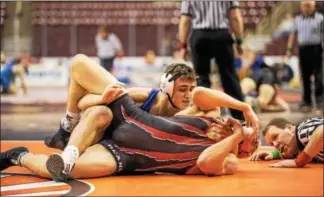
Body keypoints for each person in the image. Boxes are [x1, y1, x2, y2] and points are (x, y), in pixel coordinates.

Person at [0, 86, 259, 181]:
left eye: (254, 140)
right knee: (84, 71)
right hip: (133, 119)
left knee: (64, 173)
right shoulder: (213, 119)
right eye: (254, 134)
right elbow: (200, 93)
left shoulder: (229, 159)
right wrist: (244, 107)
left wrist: (235, 138)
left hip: (127, 156)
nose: (253, 135)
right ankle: (68, 134)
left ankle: (18, 156)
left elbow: (205, 163)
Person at [45, 54, 259, 151]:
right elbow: (83, 101)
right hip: (97, 134)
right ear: (166, 89)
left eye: (190, 90)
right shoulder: (148, 96)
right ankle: (68, 125)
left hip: (117, 148)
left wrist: (244, 106)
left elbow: (203, 94)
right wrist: (102, 98)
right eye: (183, 90)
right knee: (100, 105)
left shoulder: (196, 112)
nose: (188, 95)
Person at [178, 1, 245, 120]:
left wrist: (183, 45)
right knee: (229, 77)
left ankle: (206, 118)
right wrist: (239, 41)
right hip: (221, 35)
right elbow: (235, 17)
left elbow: (185, 20)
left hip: (200, 36)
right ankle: (242, 118)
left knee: (201, 78)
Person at [285, 1, 323, 113]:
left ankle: (320, 102)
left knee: (318, 77)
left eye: (309, 6)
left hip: (316, 49)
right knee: (305, 77)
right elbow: (292, 35)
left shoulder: (320, 18)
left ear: (314, 7)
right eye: (304, 6)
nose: (306, 8)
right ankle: (306, 102)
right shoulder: (297, 19)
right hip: (303, 50)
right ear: (301, 7)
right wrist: (288, 50)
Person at [249, 117, 323, 168]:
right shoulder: (298, 145)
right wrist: (273, 154)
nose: (275, 144)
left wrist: (300, 161)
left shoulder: (302, 131)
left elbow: (322, 131)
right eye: (271, 144)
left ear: (290, 128)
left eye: (275, 136)